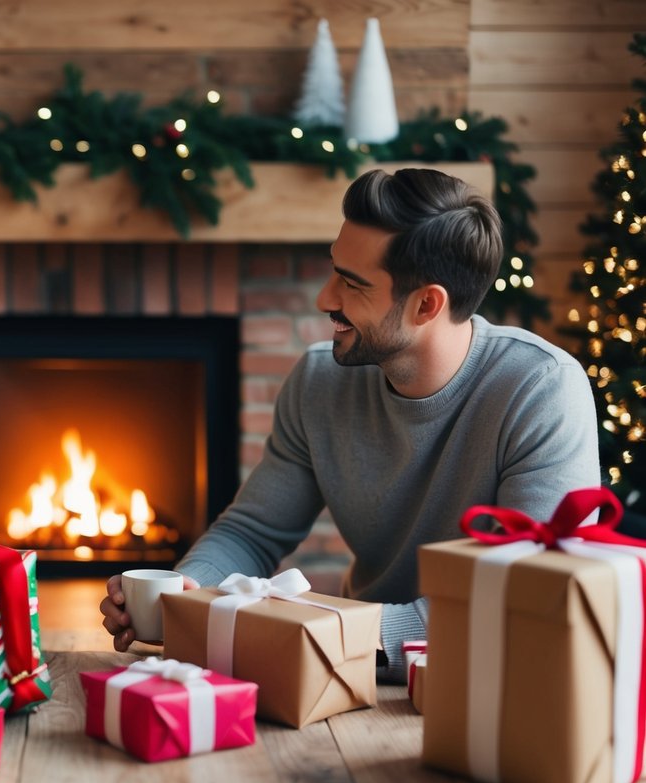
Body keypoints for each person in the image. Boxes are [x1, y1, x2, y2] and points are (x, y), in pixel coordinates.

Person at [100, 168, 601, 680]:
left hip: (485, 690)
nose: (324, 299)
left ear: (426, 304)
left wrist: (315, 635)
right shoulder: (320, 380)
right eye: (334, 270)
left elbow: (525, 608)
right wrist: (183, 594)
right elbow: (252, 533)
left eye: (352, 284)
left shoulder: (541, 389)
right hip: (350, 671)